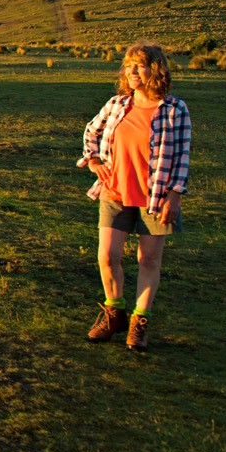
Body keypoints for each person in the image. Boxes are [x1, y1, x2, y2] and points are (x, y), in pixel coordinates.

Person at [78, 42, 191, 352]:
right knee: (107, 256)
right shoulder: (117, 104)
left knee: (148, 259)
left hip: (155, 196)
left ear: (155, 70)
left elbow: (182, 155)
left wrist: (175, 195)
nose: (131, 72)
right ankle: (114, 313)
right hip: (114, 191)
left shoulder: (174, 109)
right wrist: (94, 160)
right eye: (128, 66)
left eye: (139, 66)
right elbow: (91, 132)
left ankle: (139, 322)